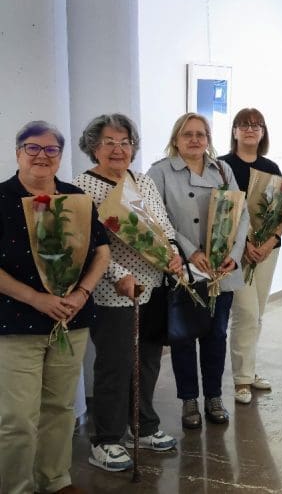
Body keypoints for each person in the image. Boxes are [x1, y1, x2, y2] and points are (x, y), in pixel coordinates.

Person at [0, 121, 111, 494]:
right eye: (33, 148)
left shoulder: (75, 198)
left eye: (51, 150)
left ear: (60, 156)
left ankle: (55, 479)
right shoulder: (1, 198)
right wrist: (37, 298)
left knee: (60, 407)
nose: (41, 156)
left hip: (71, 317)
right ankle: (16, 486)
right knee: (17, 417)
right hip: (15, 322)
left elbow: (102, 251)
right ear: (18, 153)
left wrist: (81, 294)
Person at [74, 114, 180, 472]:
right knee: (115, 364)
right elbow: (88, 244)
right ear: (93, 147)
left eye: (125, 142)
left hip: (152, 285)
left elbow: (161, 225)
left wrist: (174, 257)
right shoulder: (82, 188)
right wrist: (119, 275)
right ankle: (106, 439)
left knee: (148, 360)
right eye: (109, 143)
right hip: (113, 290)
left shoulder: (142, 180)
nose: (118, 150)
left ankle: (145, 424)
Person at [148, 113, 250, 428]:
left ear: (208, 138)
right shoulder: (160, 172)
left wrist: (234, 254)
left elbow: (241, 214)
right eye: (187, 134)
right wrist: (189, 251)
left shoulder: (222, 169)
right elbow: (157, 218)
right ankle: (189, 400)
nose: (194, 140)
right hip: (184, 269)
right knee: (183, 336)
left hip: (220, 270)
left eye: (200, 134)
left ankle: (214, 397)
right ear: (175, 139)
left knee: (216, 334)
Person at [219, 109, 282, 404]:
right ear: (234, 131)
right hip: (235, 252)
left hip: (266, 251)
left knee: (257, 314)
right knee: (244, 314)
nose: (250, 129)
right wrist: (243, 243)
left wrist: (271, 240)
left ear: (263, 132)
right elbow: (221, 211)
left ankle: (250, 369)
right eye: (244, 125)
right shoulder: (222, 166)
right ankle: (242, 380)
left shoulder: (271, 166)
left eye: (256, 125)